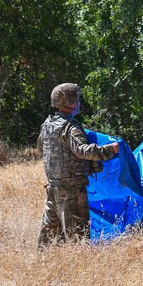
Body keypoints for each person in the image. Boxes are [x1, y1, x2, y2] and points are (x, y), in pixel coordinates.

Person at [37, 83, 119, 248]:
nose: (79, 102)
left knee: (50, 237)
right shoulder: (70, 126)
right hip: (71, 189)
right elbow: (82, 150)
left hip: (53, 186)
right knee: (77, 236)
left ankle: (44, 266)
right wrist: (110, 150)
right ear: (71, 102)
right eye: (77, 99)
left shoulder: (47, 125)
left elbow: (41, 149)